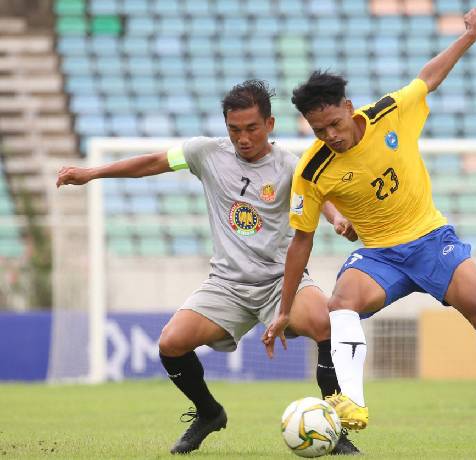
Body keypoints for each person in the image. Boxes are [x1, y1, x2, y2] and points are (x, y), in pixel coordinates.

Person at [262, 8, 476, 452]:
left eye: (334, 123)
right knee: (340, 302)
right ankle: (351, 404)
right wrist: (284, 308)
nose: (330, 134)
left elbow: (428, 77)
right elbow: (301, 241)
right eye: (318, 128)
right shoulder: (312, 170)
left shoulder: (390, 113)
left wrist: (468, 37)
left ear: (349, 108)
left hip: (430, 239)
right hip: (381, 255)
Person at [56, 80, 360, 455]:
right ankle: (209, 413)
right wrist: (92, 173)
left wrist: (337, 219)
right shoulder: (205, 153)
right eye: (234, 129)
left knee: (324, 322)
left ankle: (337, 427)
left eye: (251, 128)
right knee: (171, 342)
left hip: (280, 281)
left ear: (269, 124)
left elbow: (320, 197)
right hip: (227, 285)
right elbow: (153, 162)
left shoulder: (290, 166)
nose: (243, 138)